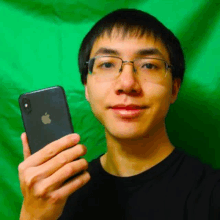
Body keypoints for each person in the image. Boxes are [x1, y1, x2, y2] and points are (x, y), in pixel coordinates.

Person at [18, 9, 220, 220]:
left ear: (174, 89)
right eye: (107, 64)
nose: (127, 84)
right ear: (86, 87)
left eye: (149, 65)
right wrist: (33, 214)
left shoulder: (211, 195)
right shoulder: (54, 195)